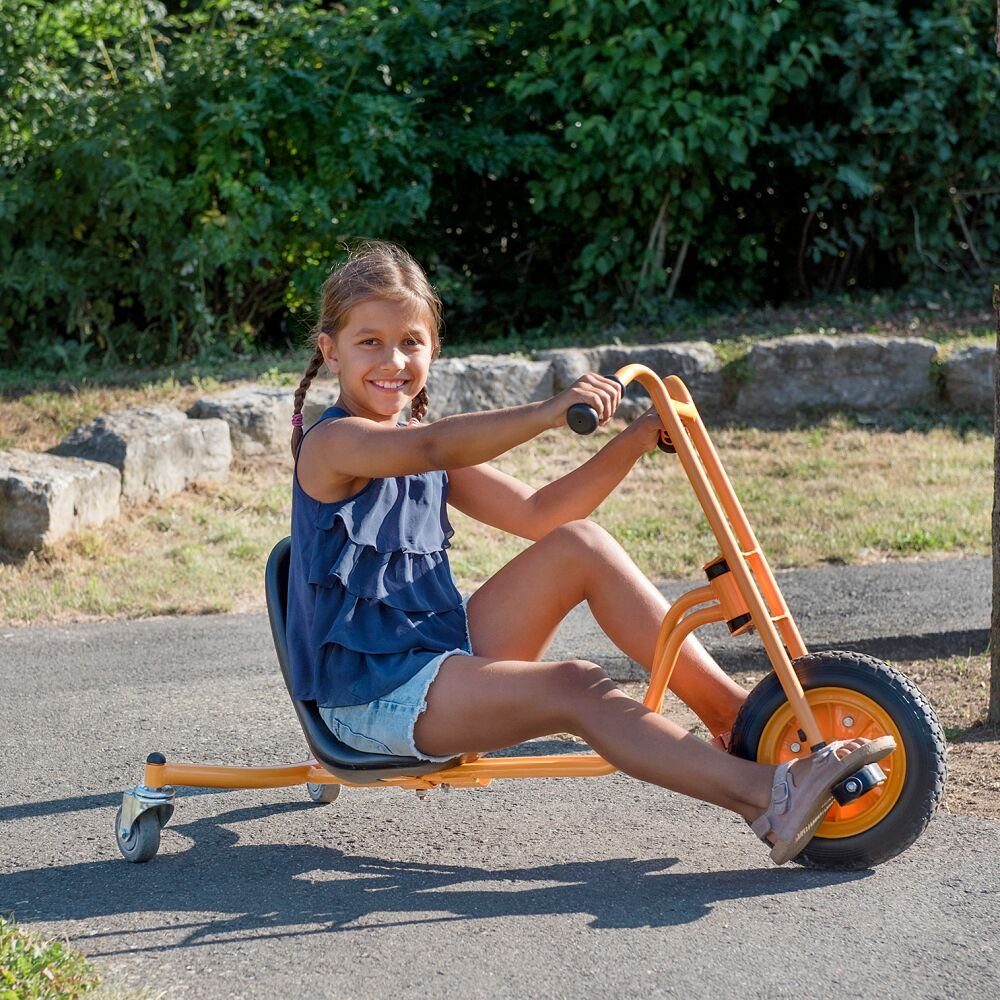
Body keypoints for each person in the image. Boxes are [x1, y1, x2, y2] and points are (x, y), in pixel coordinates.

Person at [285, 240, 894, 865]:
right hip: (371, 697)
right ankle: (768, 795)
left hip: (436, 656)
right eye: (370, 342)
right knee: (578, 686)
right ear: (330, 350)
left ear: (433, 349)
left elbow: (541, 513)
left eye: (411, 341)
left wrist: (635, 438)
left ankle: (745, 725)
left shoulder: (413, 441)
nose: (394, 360)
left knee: (580, 543)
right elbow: (435, 448)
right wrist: (552, 411)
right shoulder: (335, 445)